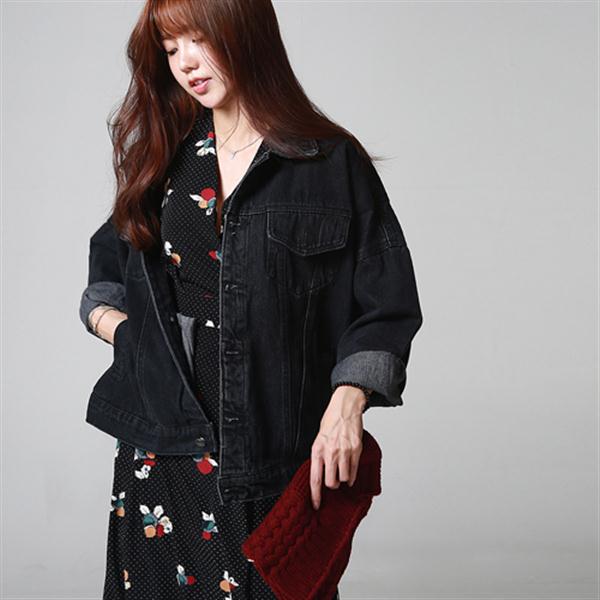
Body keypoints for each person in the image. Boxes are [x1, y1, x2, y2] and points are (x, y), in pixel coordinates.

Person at [79, 0, 424, 598]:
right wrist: (123, 331)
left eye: (198, 39)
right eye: (171, 49)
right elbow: (108, 274)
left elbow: (387, 304)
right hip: (163, 451)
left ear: (245, 33)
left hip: (276, 457)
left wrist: (347, 404)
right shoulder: (164, 156)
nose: (185, 63)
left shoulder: (327, 161)